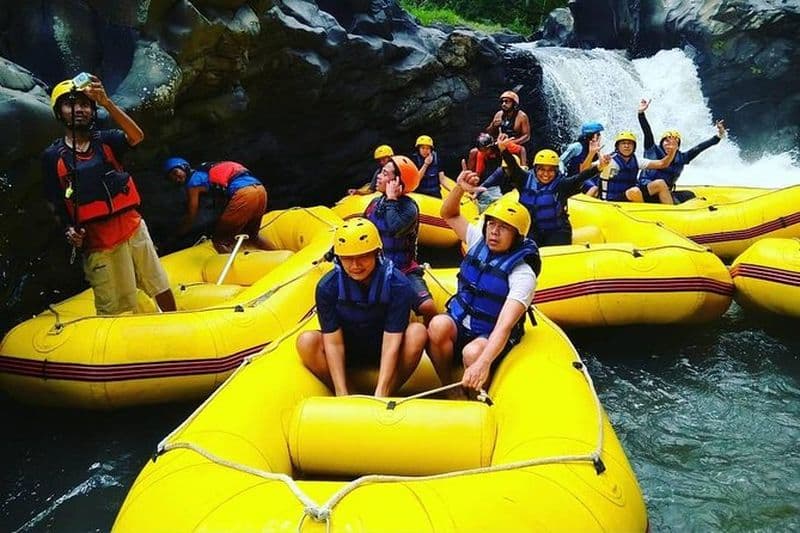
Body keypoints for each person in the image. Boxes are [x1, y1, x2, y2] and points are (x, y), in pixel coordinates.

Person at [42, 74, 176, 315]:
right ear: (59, 112)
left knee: (159, 283)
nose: (78, 109)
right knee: (113, 306)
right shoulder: (52, 157)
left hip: (133, 228)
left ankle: (175, 320)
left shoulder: (107, 140)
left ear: (92, 111)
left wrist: (106, 102)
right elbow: (55, 201)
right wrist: (68, 230)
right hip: (98, 242)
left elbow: (137, 137)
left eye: (84, 104)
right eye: (70, 104)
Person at [427, 166, 540, 393]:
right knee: (438, 325)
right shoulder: (479, 238)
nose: (494, 232)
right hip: (462, 321)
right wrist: (459, 188)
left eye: (504, 228)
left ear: (517, 237)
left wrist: (483, 363)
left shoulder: (522, 273)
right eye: (492, 225)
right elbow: (448, 213)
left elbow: (505, 325)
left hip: (489, 332)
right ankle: (447, 386)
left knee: (473, 353)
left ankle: (477, 399)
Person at [296, 218, 427, 397]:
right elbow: (333, 342)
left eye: (363, 257)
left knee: (417, 332)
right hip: (349, 348)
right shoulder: (327, 287)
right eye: (348, 259)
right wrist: (341, 391)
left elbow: (392, 341)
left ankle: (387, 393)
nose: (355, 266)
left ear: (376, 253)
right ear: (338, 259)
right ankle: (349, 392)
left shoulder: (398, 285)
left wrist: (380, 391)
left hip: (384, 346)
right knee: (306, 341)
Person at [498, 134, 606, 246]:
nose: (545, 174)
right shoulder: (524, 179)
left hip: (557, 231)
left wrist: (599, 167)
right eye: (541, 169)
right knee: (527, 248)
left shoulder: (562, 184)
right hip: (532, 229)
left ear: (556, 171)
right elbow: (512, 165)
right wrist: (503, 150)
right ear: (535, 169)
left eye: (551, 170)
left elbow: (580, 177)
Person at [365, 155, 436, 322]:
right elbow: (363, 230)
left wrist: (391, 199)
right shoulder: (375, 203)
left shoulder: (409, 208)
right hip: (376, 269)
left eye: (384, 173)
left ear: (397, 181)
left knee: (428, 307)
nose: (378, 177)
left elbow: (395, 228)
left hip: (403, 269)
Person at [630, 99, 727, 204]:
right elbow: (647, 131)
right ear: (661, 142)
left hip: (665, 192)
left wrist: (719, 135)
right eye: (666, 141)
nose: (669, 144)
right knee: (670, 196)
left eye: (674, 142)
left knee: (689, 195)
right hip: (647, 190)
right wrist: (641, 113)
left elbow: (701, 147)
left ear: (678, 146)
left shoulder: (683, 157)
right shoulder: (652, 149)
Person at [163, 158, 269, 253]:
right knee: (253, 237)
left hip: (244, 194)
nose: (175, 178)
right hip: (260, 190)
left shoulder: (193, 183)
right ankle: (282, 256)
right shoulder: (204, 173)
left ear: (184, 167)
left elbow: (192, 215)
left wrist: (178, 234)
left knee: (219, 241)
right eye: (171, 177)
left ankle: (236, 271)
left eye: (175, 172)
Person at [584, 130, 677, 202]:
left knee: (660, 183)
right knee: (634, 192)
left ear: (634, 147)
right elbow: (584, 170)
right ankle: (646, 217)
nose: (626, 146)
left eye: (629, 143)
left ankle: (672, 214)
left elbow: (662, 164)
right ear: (617, 146)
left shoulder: (637, 160)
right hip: (611, 200)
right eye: (623, 143)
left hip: (630, 196)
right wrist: (591, 154)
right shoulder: (608, 160)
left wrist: (673, 151)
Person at [486, 90, 530, 164]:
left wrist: (514, 142)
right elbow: (489, 132)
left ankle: (523, 169)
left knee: (521, 150)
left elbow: (526, 136)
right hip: (499, 142)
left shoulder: (522, 116)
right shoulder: (498, 114)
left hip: (514, 143)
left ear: (514, 104)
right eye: (502, 102)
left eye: (507, 102)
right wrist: (493, 125)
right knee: (474, 152)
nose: (503, 104)